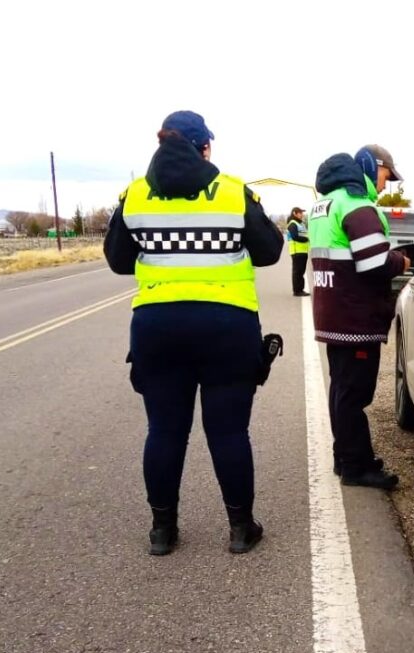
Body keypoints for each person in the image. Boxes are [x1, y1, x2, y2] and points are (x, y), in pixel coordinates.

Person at [103, 110, 284, 556]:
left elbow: (119, 261)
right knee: (228, 432)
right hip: (228, 325)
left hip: (157, 326)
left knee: (164, 430)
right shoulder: (232, 191)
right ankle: (241, 528)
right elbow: (270, 252)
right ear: (204, 147)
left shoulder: (136, 194)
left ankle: (163, 531)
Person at [307, 144, 410, 489]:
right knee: (354, 396)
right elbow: (375, 263)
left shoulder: (324, 204)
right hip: (355, 318)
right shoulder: (357, 205)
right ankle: (356, 466)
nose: (385, 186)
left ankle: (346, 456)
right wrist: (402, 262)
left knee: (342, 390)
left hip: (333, 314)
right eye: (385, 176)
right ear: (371, 166)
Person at [287, 206, 311, 296]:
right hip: (297, 251)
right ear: (294, 213)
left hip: (303, 251)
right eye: (300, 213)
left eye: (302, 213)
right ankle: (297, 291)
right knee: (298, 272)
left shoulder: (301, 224)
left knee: (301, 271)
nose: (302, 214)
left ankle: (300, 289)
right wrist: (306, 239)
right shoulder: (292, 224)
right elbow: (295, 237)